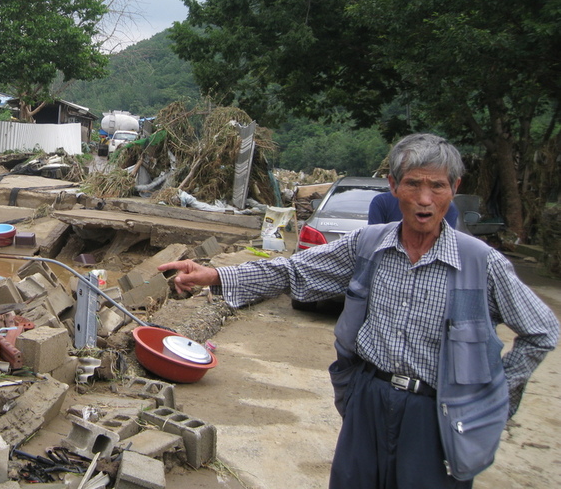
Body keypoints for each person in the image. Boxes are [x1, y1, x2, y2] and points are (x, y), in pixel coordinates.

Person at [158, 133, 558, 488]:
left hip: (437, 413)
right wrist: (212, 275)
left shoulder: (479, 263)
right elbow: (294, 270)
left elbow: (541, 331)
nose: (424, 199)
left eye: (437, 186)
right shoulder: (368, 245)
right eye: (413, 184)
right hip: (368, 398)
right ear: (392, 187)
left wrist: (494, 397)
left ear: (454, 188)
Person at [369, 189, 460, 229]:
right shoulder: (382, 202)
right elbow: (373, 241)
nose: (424, 201)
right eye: (412, 184)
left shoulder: (448, 208)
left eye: (436, 186)